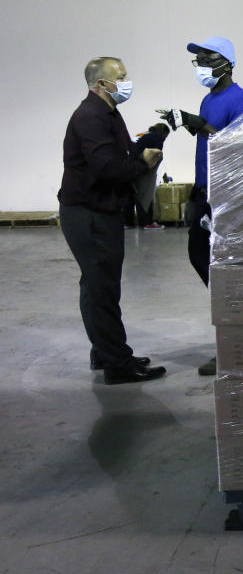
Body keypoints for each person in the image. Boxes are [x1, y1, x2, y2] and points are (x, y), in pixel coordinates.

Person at [58, 57, 168, 385]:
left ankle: (104, 350)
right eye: (119, 77)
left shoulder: (106, 113)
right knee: (102, 287)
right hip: (90, 214)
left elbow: (116, 156)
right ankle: (117, 364)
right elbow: (106, 168)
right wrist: (143, 164)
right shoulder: (91, 116)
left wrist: (146, 145)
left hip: (95, 210)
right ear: (100, 84)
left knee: (95, 286)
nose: (126, 81)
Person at [159, 37, 243, 376]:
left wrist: (198, 124)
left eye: (206, 59)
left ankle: (234, 341)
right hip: (206, 192)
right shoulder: (207, 98)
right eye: (196, 61)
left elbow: (238, 148)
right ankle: (231, 327)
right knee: (200, 257)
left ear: (226, 63)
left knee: (222, 269)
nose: (200, 66)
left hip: (226, 196)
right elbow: (208, 144)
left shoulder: (240, 99)